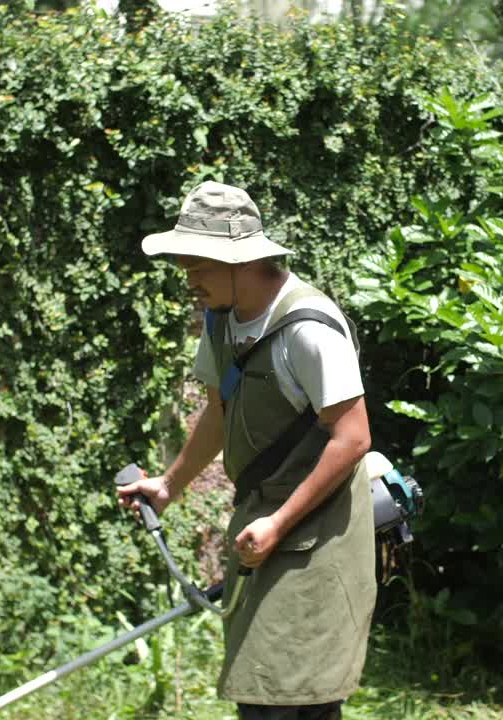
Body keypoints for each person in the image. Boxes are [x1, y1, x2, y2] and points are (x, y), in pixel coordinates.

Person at [117, 181, 376, 720]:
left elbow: (353, 438)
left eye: (197, 267)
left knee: (291, 695)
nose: (189, 281)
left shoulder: (309, 330)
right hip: (265, 520)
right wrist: (169, 485)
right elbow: (219, 413)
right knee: (265, 692)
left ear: (237, 261)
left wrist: (279, 523)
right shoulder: (221, 322)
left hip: (320, 534)